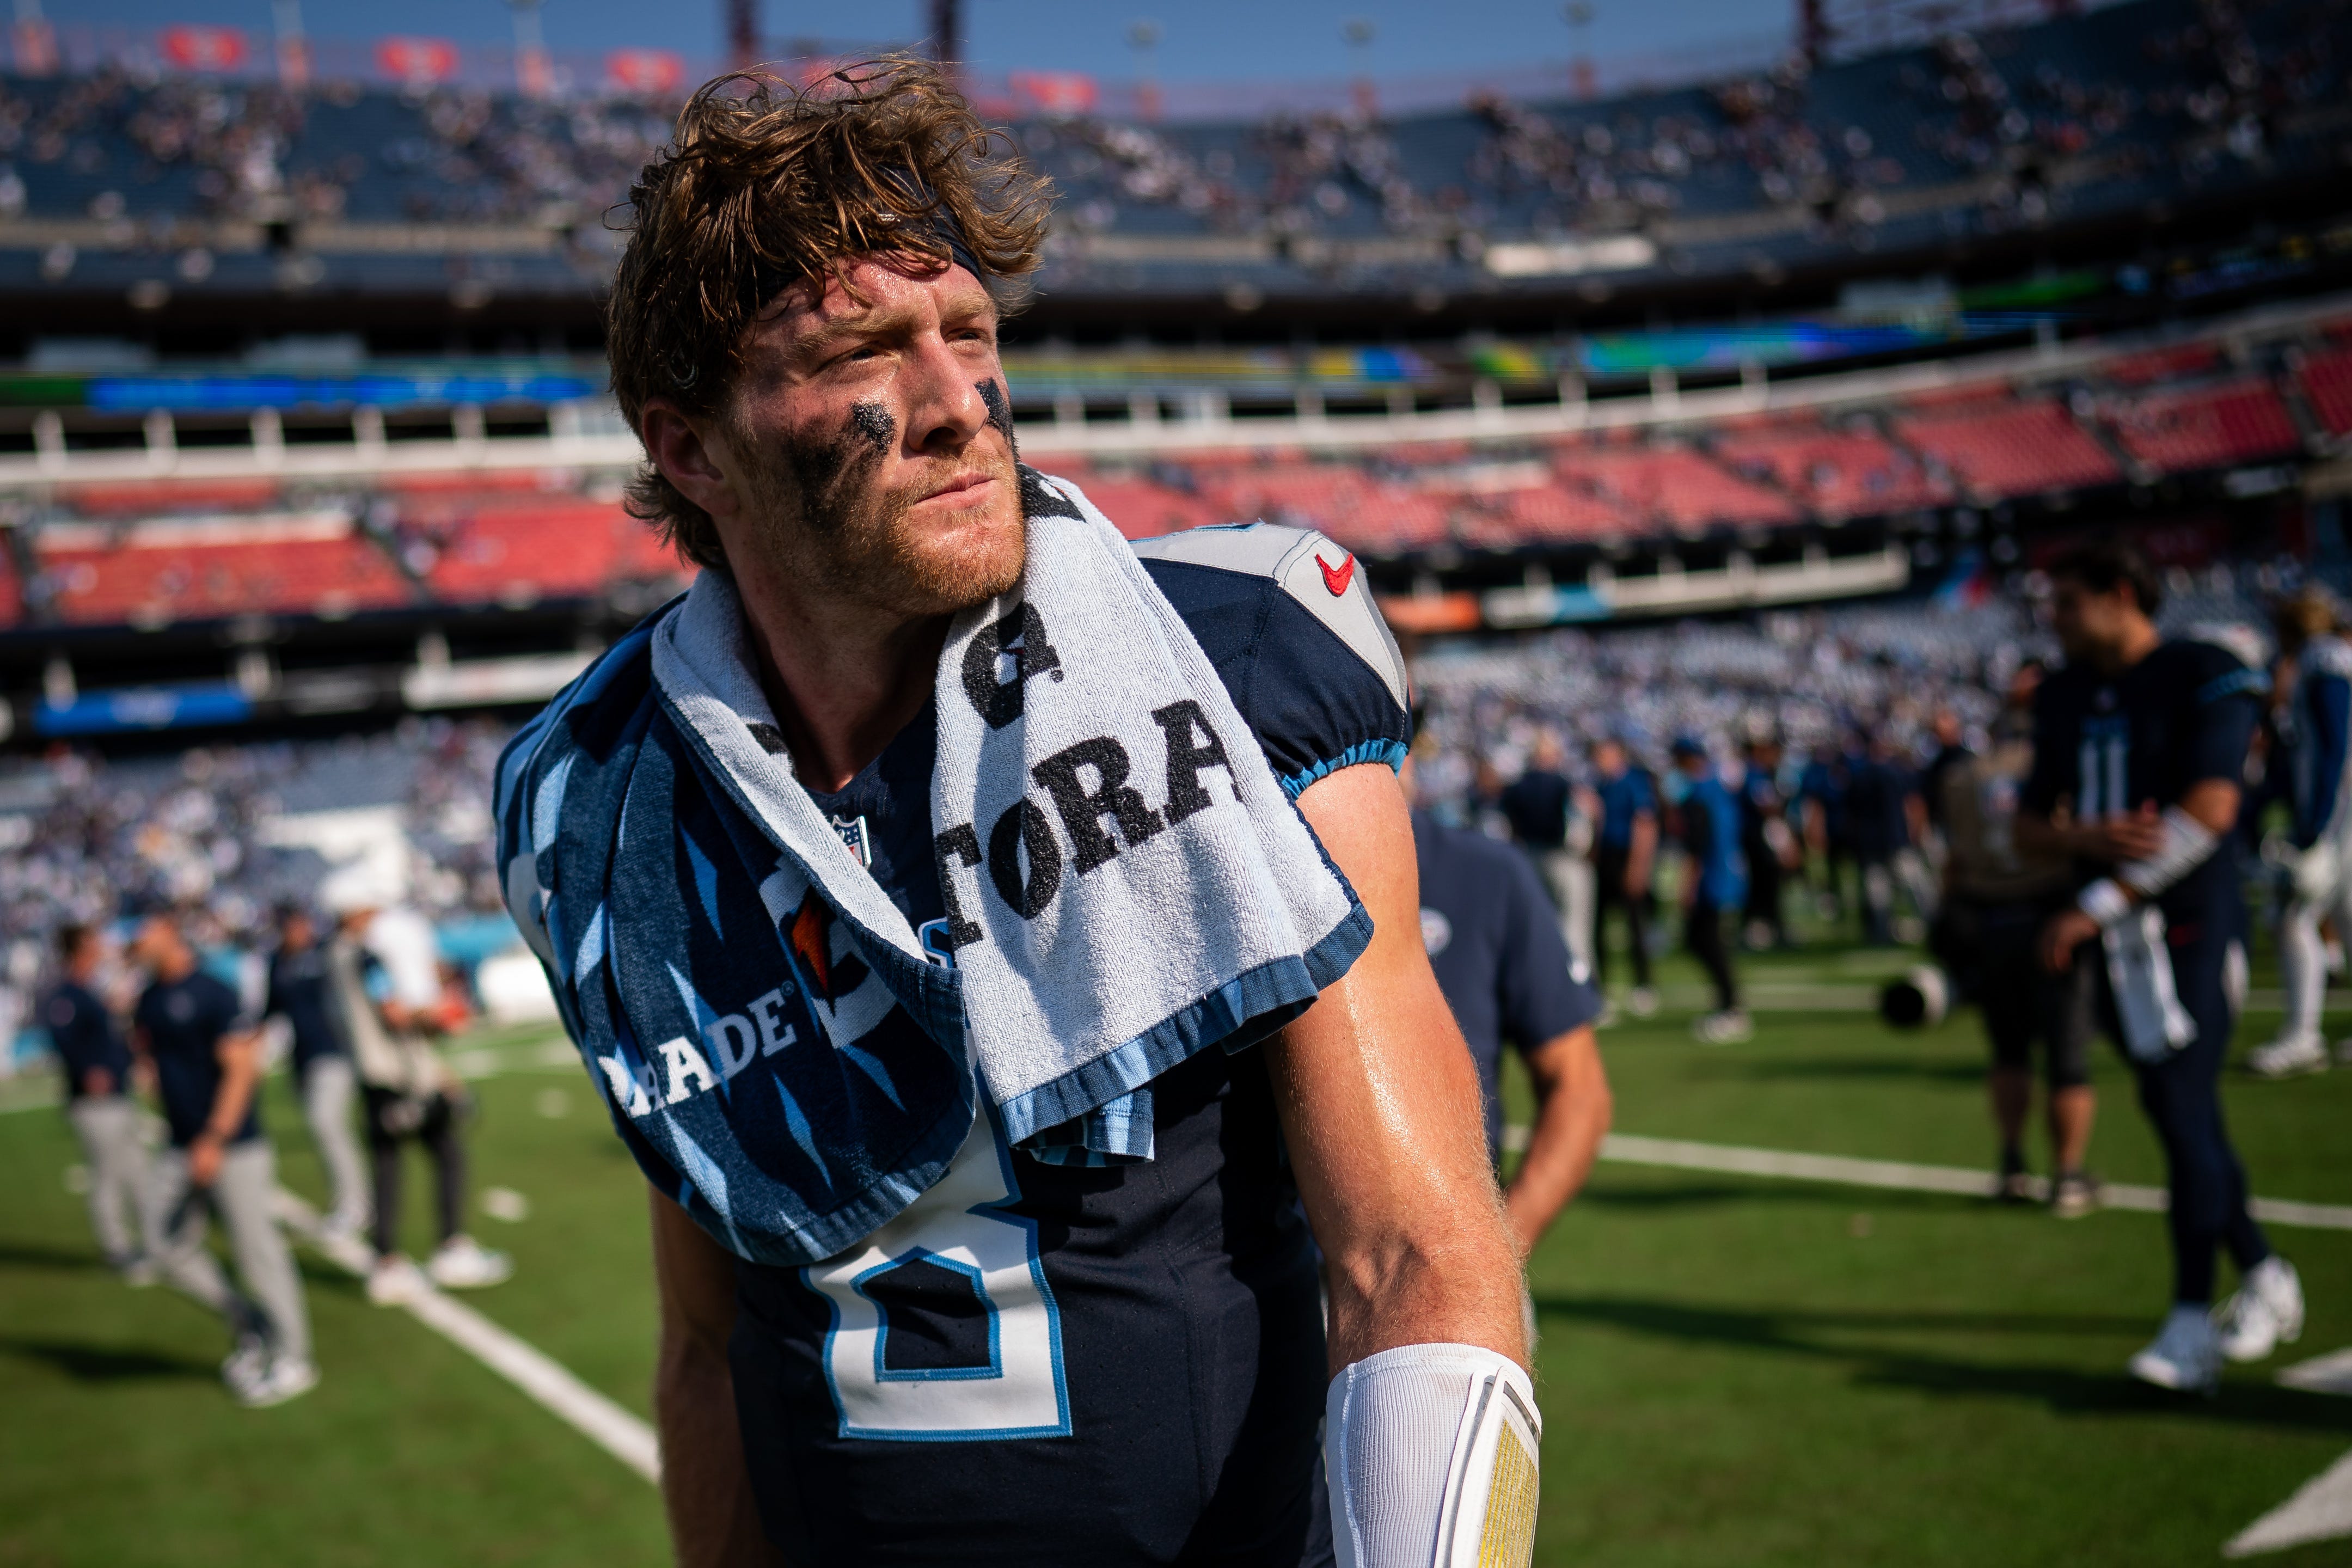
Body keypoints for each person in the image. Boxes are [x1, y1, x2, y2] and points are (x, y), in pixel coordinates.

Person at [498, 60, 1534, 1568]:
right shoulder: (605, 799)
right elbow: (710, 1337)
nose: (957, 403)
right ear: (691, 448)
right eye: (866, 349)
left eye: (969, 333)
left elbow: (1417, 1261)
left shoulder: (1234, 655)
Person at [2015, 538, 2302, 1394]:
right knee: (2177, 1111)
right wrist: (2085, 841)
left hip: (2187, 922)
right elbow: (2029, 825)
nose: (2053, 620)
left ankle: (2188, 1324)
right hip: (2111, 935)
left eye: (2067, 602)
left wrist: (2099, 899)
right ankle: (2264, 1272)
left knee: (2182, 1107)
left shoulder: (2202, 670)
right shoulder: (2064, 694)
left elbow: (2210, 811)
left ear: (2116, 595)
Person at [1410, 749, 1612, 1255]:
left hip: (1457, 1267)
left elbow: (1580, 1087)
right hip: (1268, 1292)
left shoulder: (1488, 873)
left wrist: (1498, 1255)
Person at [128, 911, 316, 1407]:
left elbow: (241, 1069)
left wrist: (215, 1136)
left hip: (232, 1144)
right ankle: (250, 1323)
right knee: (161, 1241)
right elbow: (147, 1055)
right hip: (179, 1141)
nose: (136, 942)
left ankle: (295, 1356)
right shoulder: (147, 998)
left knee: (258, 1252)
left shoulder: (213, 992)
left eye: (143, 932)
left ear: (169, 932)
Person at [1935, 660, 2095, 1214]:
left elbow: (1954, 861)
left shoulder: (1965, 776)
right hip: (2051, 913)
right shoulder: (2056, 761)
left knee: (2008, 1052)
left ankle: (2011, 1162)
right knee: (2067, 1055)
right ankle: (2068, 1174)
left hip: (1989, 919)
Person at [322, 880, 511, 1303]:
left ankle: (387, 1259)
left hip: (370, 1075)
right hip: (398, 1075)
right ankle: (446, 1248)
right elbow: (394, 1013)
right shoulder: (365, 957)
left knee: (388, 1167)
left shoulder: (331, 956)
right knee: (445, 1153)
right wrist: (441, 1017)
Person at [2250, 590, 2352, 1077]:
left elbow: (2333, 748)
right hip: (2342, 814)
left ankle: (2302, 1033)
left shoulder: (2324, 661)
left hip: (2338, 817)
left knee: (2291, 914)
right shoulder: (2331, 660)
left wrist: (2315, 826)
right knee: (2345, 917)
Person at [42, 923, 161, 1278]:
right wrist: (87, 1071)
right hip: (95, 1101)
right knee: (109, 1175)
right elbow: (64, 1039)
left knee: (138, 1170)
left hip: (117, 1095)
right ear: (78, 949)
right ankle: (117, 1248)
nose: (100, 948)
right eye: (92, 943)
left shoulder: (89, 990)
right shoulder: (67, 994)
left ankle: (153, 1243)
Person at [263, 903, 369, 1240]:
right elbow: (270, 1010)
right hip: (303, 1060)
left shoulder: (325, 955)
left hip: (335, 1052)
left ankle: (356, 1205)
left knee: (327, 1123)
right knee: (326, 1129)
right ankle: (348, 1200)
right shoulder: (277, 963)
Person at [1500, 730, 1597, 984]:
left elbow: (1509, 828)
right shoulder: (1563, 784)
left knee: (1539, 928)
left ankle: (1544, 986)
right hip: (1562, 859)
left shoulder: (1517, 787)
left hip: (1529, 859)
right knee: (1574, 928)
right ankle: (1580, 989)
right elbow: (1582, 823)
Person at [1671, 736, 1750, 1043]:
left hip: (1711, 879)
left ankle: (1731, 1007)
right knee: (1707, 941)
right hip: (1725, 873)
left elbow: (1697, 847)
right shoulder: (1719, 789)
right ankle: (1727, 1004)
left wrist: (1688, 885)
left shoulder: (1698, 795)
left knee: (1707, 942)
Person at [1591, 734, 1660, 1017]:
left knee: (1635, 926)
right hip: (1606, 858)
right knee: (1599, 927)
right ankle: (1602, 986)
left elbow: (1644, 825)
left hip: (1626, 856)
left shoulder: (1634, 782)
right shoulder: (1602, 785)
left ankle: (1644, 985)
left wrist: (1638, 867)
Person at [1737, 731, 1794, 951]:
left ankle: (1770, 926)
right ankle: (1759, 927)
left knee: (1769, 884)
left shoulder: (1767, 773)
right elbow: (1767, 807)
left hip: (1763, 838)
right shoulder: (1756, 774)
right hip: (1757, 840)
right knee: (1761, 884)